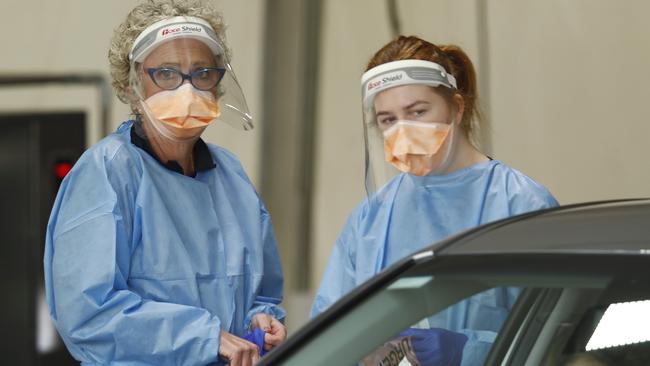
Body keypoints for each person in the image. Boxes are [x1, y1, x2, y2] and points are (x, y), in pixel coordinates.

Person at [43, 1, 286, 365]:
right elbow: (88, 315)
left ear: (218, 84)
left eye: (202, 72)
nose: (187, 90)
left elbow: (262, 290)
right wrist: (205, 337)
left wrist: (262, 320)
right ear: (131, 85)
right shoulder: (107, 173)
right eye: (166, 74)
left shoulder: (230, 175)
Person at [311, 36, 559, 365]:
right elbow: (328, 335)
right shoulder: (371, 218)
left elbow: (554, 333)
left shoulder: (522, 204)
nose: (403, 130)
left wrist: (467, 351)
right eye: (388, 119)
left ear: (456, 108)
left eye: (418, 111)